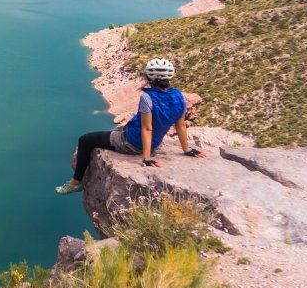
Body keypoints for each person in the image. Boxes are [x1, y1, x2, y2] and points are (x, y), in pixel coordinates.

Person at [56, 58, 205, 194]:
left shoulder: (147, 97)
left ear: (148, 77)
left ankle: (75, 182)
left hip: (132, 143)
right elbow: (180, 126)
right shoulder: (179, 96)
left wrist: (146, 157)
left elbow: (147, 128)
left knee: (85, 140)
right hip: (154, 141)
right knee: (118, 129)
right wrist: (187, 150)